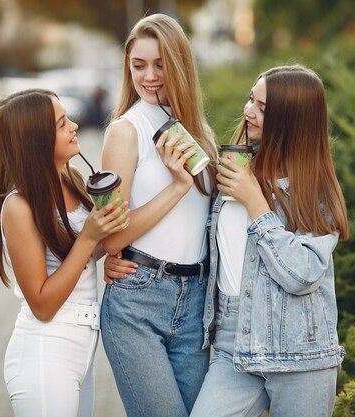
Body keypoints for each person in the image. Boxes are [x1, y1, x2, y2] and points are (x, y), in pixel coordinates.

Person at [188, 65, 349, 417]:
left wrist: (256, 203)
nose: (248, 112)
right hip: (234, 345)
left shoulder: (313, 190)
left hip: (300, 354)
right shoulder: (237, 167)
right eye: (251, 99)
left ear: (290, 121)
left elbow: (303, 274)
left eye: (263, 108)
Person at [99, 13, 218, 417]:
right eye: (138, 65)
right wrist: (178, 186)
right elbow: (111, 238)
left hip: (196, 304)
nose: (149, 76)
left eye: (160, 64)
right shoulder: (124, 131)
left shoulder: (199, 131)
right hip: (138, 302)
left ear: (180, 64)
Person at [0, 88, 129, 417]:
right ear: (36, 140)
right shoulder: (19, 206)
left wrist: (104, 251)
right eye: (61, 123)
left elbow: (75, 258)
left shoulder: (72, 178)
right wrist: (89, 240)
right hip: (45, 353)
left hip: (80, 350)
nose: (75, 126)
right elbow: (41, 304)